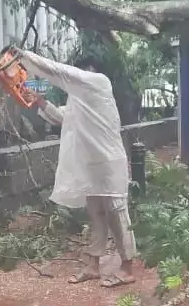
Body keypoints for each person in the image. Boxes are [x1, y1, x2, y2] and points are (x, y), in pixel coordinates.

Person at [16, 47, 137, 288]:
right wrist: (40, 101)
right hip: (90, 167)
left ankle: (127, 267)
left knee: (117, 214)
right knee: (96, 214)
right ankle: (93, 265)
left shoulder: (99, 82)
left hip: (109, 164)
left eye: (84, 72)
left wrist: (24, 56)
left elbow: (60, 72)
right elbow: (63, 118)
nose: (80, 76)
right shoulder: (78, 99)